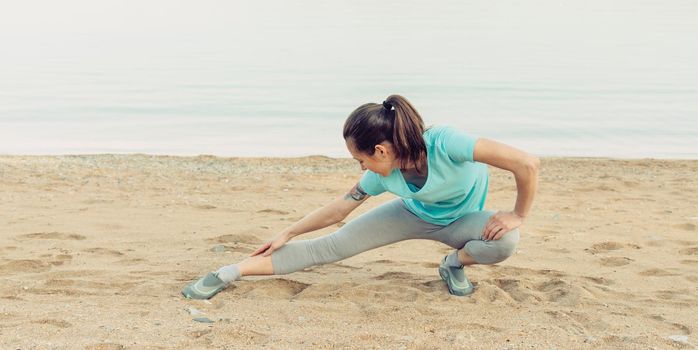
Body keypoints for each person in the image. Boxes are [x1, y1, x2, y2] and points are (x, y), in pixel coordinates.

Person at [182, 94, 539, 299]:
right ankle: (229, 272)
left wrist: (517, 213)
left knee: (505, 241)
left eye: (360, 159)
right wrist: (289, 232)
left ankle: (454, 264)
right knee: (331, 247)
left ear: (381, 151)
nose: (360, 168)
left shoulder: (446, 143)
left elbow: (526, 163)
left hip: (463, 222)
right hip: (413, 214)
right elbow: (339, 210)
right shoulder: (381, 177)